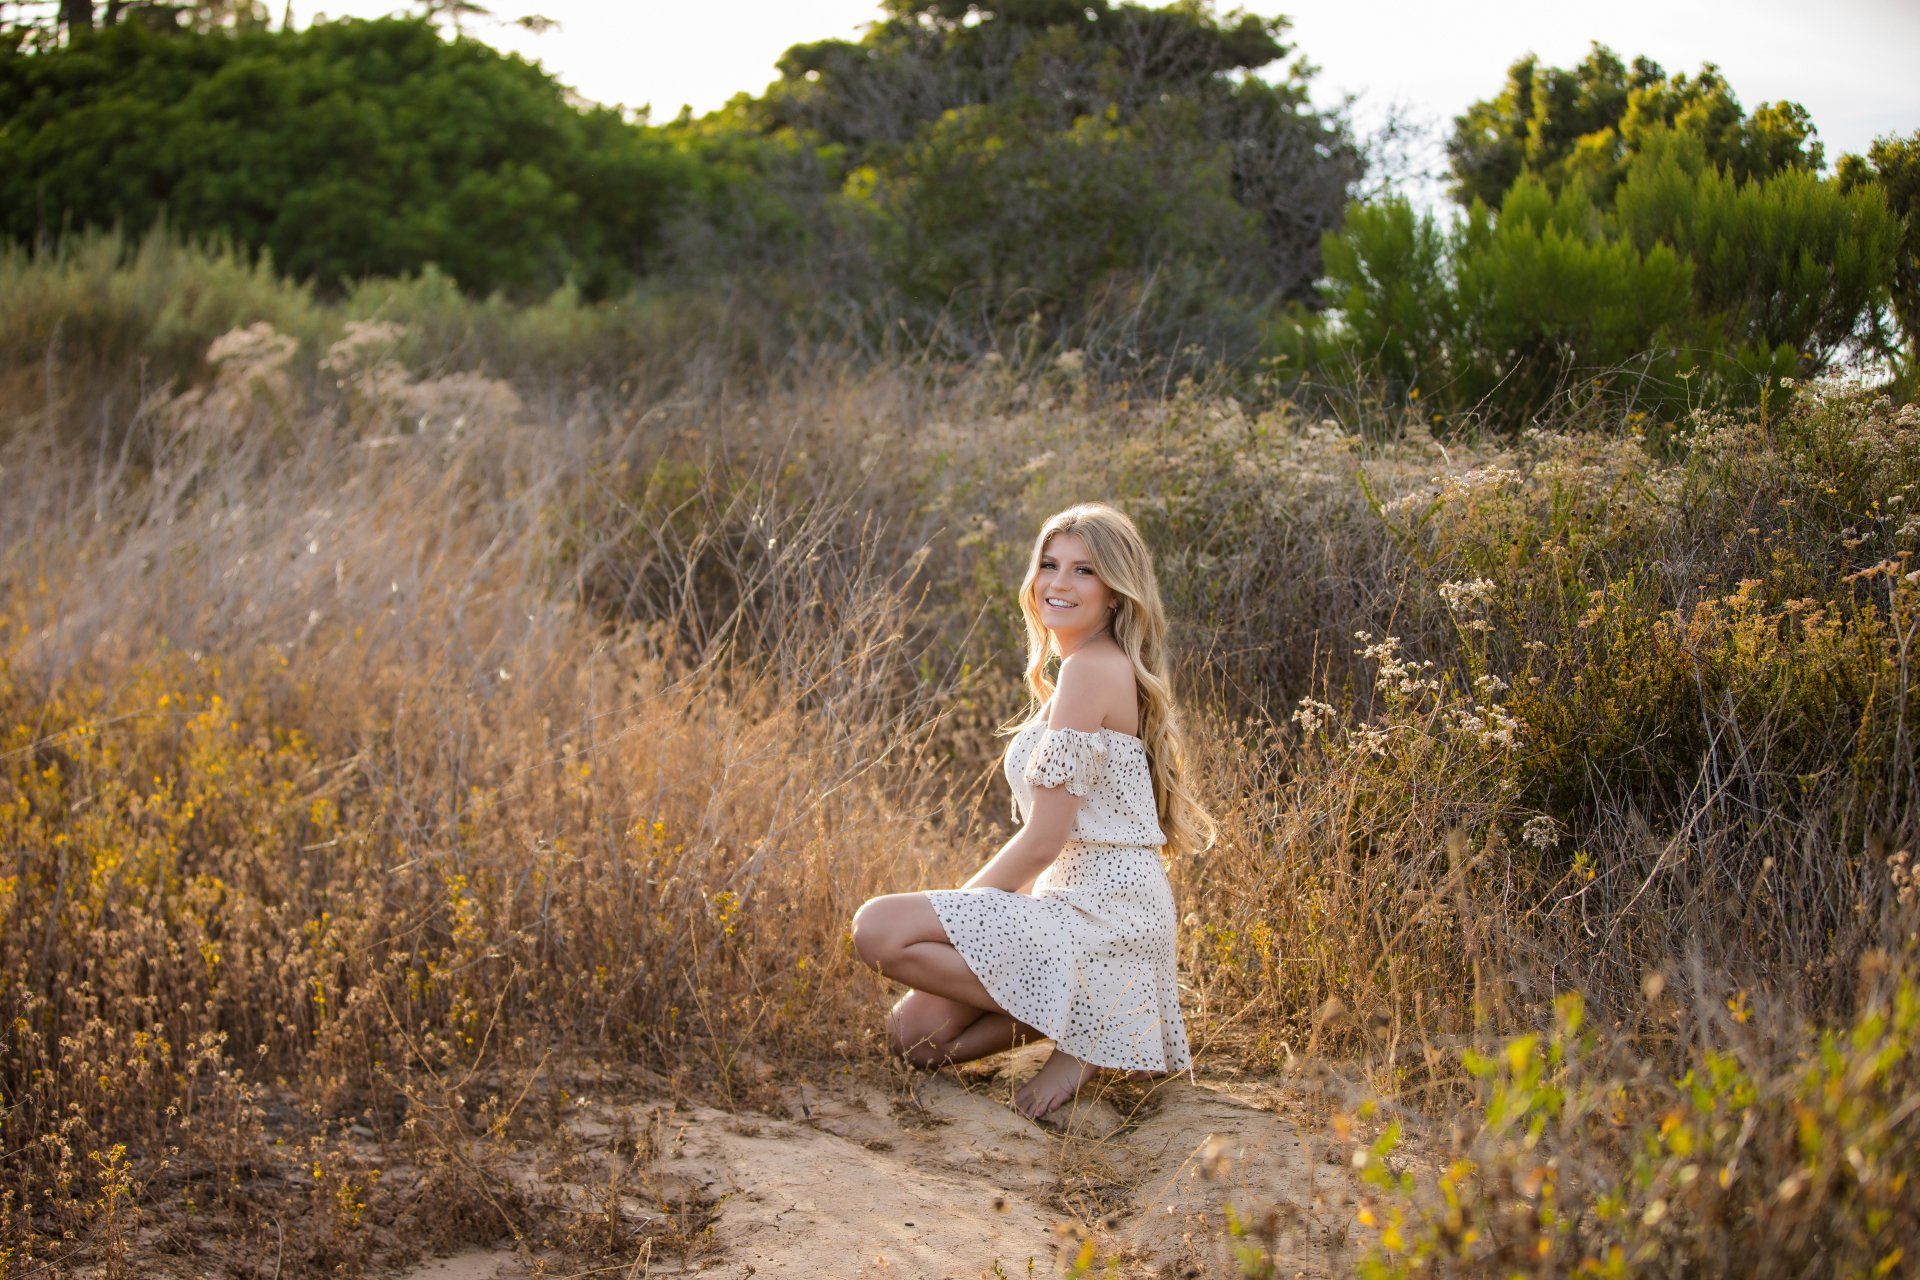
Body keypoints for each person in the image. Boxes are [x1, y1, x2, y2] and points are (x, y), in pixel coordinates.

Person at [850, 502, 1216, 1121]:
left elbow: (1042, 842)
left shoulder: (1091, 671)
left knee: (878, 927)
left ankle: (1093, 1027)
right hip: (1067, 904)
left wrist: (961, 919)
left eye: (1084, 572)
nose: (1059, 584)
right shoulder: (1081, 672)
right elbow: (1053, 847)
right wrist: (976, 927)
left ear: (1117, 595)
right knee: (914, 1036)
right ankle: (1096, 1013)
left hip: (1106, 913)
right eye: (1050, 565)